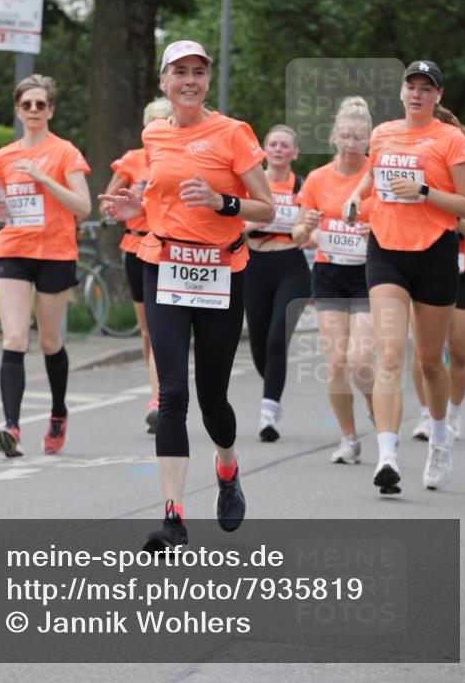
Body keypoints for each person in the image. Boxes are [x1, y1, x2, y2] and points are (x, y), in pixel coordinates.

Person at [99, 41, 274, 551]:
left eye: (198, 72)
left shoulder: (232, 132)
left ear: (207, 80)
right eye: (180, 72)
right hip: (167, 267)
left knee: (212, 398)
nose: (190, 80)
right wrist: (134, 206)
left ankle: (227, 467)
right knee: (172, 393)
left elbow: (266, 209)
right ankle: (173, 516)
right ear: (164, 82)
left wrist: (224, 202)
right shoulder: (154, 135)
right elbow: (158, 204)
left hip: (222, 269)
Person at [344, 61, 465, 495]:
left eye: (427, 88)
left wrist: (423, 191)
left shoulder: (450, 139)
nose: (417, 94)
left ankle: (439, 439)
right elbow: (370, 176)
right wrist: (354, 197)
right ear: (401, 92)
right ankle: (387, 457)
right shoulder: (382, 133)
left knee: (427, 361)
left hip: (435, 252)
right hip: (385, 250)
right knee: (388, 356)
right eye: (411, 86)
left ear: (438, 96)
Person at [0, 75, 91, 459]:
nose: (33, 110)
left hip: (55, 253)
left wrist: (44, 177)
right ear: (17, 110)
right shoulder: (4, 155)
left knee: (49, 340)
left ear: (51, 110)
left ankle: (58, 413)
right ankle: (11, 427)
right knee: (15, 337)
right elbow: (6, 207)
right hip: (14, 248)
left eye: (40, 105)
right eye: (26, 104)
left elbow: (83, 207)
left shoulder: (66, 152)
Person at [293, 97, 375, 464]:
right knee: (337, 363)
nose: (352, 144)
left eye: (359, 137)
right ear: (334, 138)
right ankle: (349, 438)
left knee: (360, 361)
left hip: (368, 275)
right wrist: (305, 226)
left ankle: (377, 411)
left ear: (369, 139)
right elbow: (297, 235)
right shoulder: (316, 179)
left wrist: (375, 232)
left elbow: (395, 225)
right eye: (346, 136)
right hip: (328, 273)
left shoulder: (376, 176)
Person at [101, 97, 172, 434]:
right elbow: (108, 202)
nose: (159, 126)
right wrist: (123, 204)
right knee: (148, 329)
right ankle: (157, 393)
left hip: (171, 246)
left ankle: (160, 400)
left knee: (163, 329)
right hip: (136, 245)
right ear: (146, 127)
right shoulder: (132, 160)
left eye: (165, 120)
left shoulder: (181, 157)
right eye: (154, 121)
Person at [243, 125, 311, 441]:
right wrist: (250, 224)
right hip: (254, 264)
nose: (279, 149)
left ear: (294, 153)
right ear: (264, 150)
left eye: (286, 145)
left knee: (275, 339)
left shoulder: (302, 186)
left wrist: (308, 231)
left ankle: (268, 413)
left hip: (291, 266)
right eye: (273, 144)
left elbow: (313, 228)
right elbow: (229, 225)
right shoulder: (251, 186)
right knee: (259, 345)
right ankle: (273, 387)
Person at [410, 183, 465, 440]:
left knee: (460, 352)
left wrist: (453, 214)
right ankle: (427, 414)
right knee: (423, 352)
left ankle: (452, 412)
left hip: (463, 273)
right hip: (424, 273)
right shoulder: (415, 187)